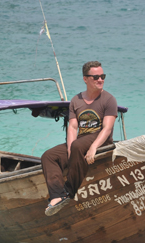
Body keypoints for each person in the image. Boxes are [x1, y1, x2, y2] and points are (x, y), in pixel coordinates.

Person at [42, 61, 118, 216]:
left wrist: (93, 147)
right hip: (80, 141)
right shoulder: (76, 100)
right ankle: (57, 195)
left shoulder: (109, 99)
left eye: (102, 76)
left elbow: (107, 128)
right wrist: (70, 149)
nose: (100, 80)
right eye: (96, 77)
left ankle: (69, 192)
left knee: (77, 146)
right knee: (49, 156)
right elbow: (73, 127)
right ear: (85, 79)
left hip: (101, 140)